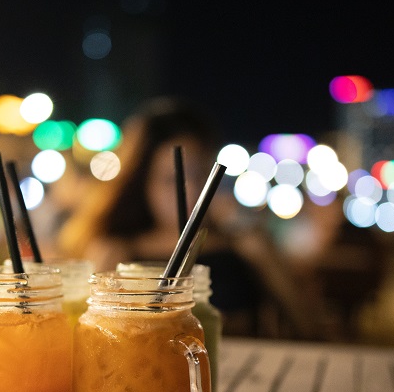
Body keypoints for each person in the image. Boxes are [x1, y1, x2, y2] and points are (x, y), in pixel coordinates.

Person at [58, 96, 323, 339]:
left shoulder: (243, 245)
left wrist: (265, 256)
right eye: (171, 179)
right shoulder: (117, 254)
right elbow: (85, 338)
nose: (191, 190)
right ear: (142, 184)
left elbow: (309, 325)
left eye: (199, 176)